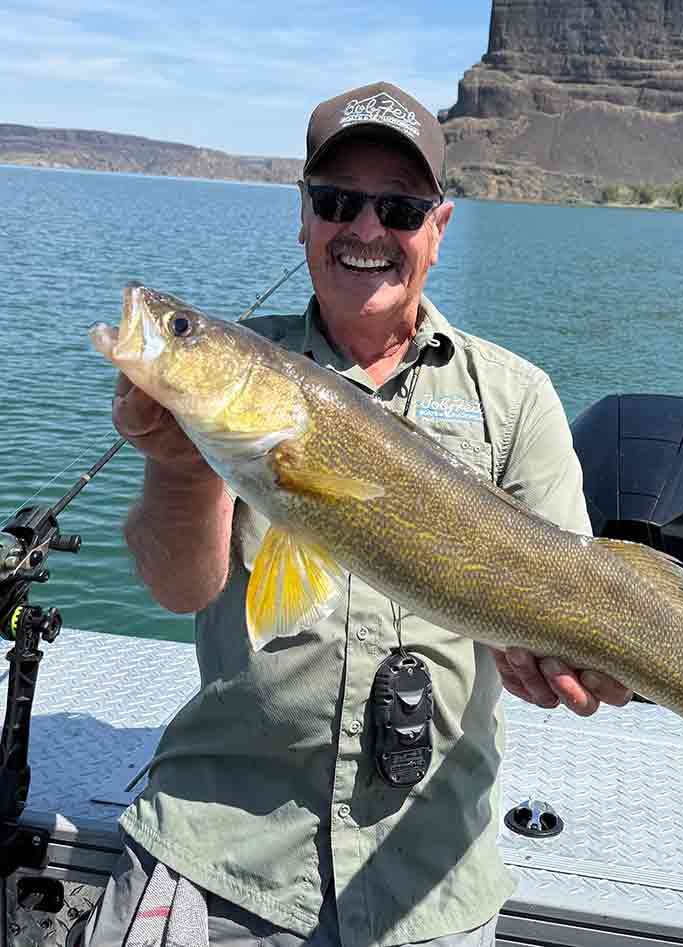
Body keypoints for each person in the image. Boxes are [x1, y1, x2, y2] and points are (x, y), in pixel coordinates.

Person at [88, 81, 632, 947]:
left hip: (428, 879)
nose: (367, 230)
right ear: (302, 216)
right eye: (337, 201)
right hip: (223, 849)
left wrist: (583, 660)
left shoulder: (516, 397)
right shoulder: (252, 388)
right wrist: (180, 468)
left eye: (400, 207)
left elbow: (569, 588)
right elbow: (180, 587)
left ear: (438, 230)